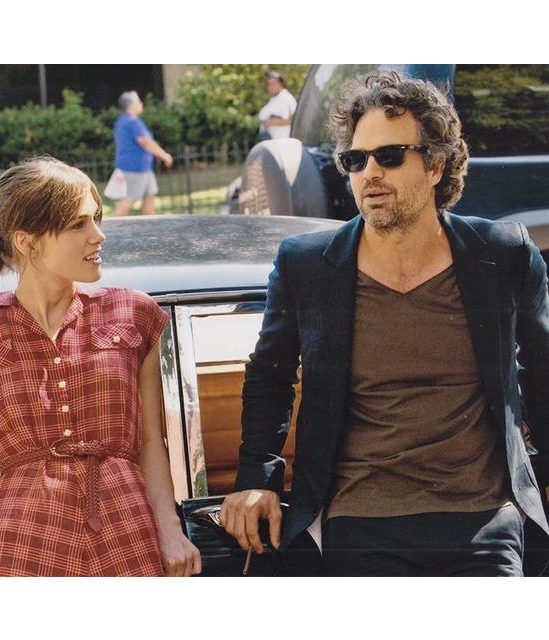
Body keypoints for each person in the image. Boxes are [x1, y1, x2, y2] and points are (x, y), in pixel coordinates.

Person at [221, 72, 549, 576]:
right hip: (358, 518)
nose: (369, 173)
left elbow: (542, 369)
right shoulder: (307, 265)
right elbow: (270, 375)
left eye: (390, 156)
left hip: (483, 516)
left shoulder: (501, 254)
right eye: (355, 160)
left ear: (436, 165)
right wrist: (255, 480)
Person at [0, 156, 201, 577]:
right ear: (28, 242)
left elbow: (151, 444)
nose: (98, 235)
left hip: (127, 533)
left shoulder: (133, 314)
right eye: (79, 224)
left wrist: (170, 529)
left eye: (96, 218)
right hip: (20, 544)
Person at [111, 91, 173, 217]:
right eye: (138, 101)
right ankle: (111, 226)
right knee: (129, 199)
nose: (141, 103)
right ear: (131, 105)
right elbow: (145, 142)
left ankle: (150, 225)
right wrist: (164, 155)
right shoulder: (132, 122)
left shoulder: (122, 121)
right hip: (135, 168)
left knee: (150, 197)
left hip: (142, 168)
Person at [257, 70, 297, 141]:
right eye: (268, 84)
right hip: (270, 141)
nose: (270, 87)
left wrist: (274, 121)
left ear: (281, 83)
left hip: (282, 141)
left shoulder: (287, 98)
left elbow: (295, 120)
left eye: (273, 83)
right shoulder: (274, 99)